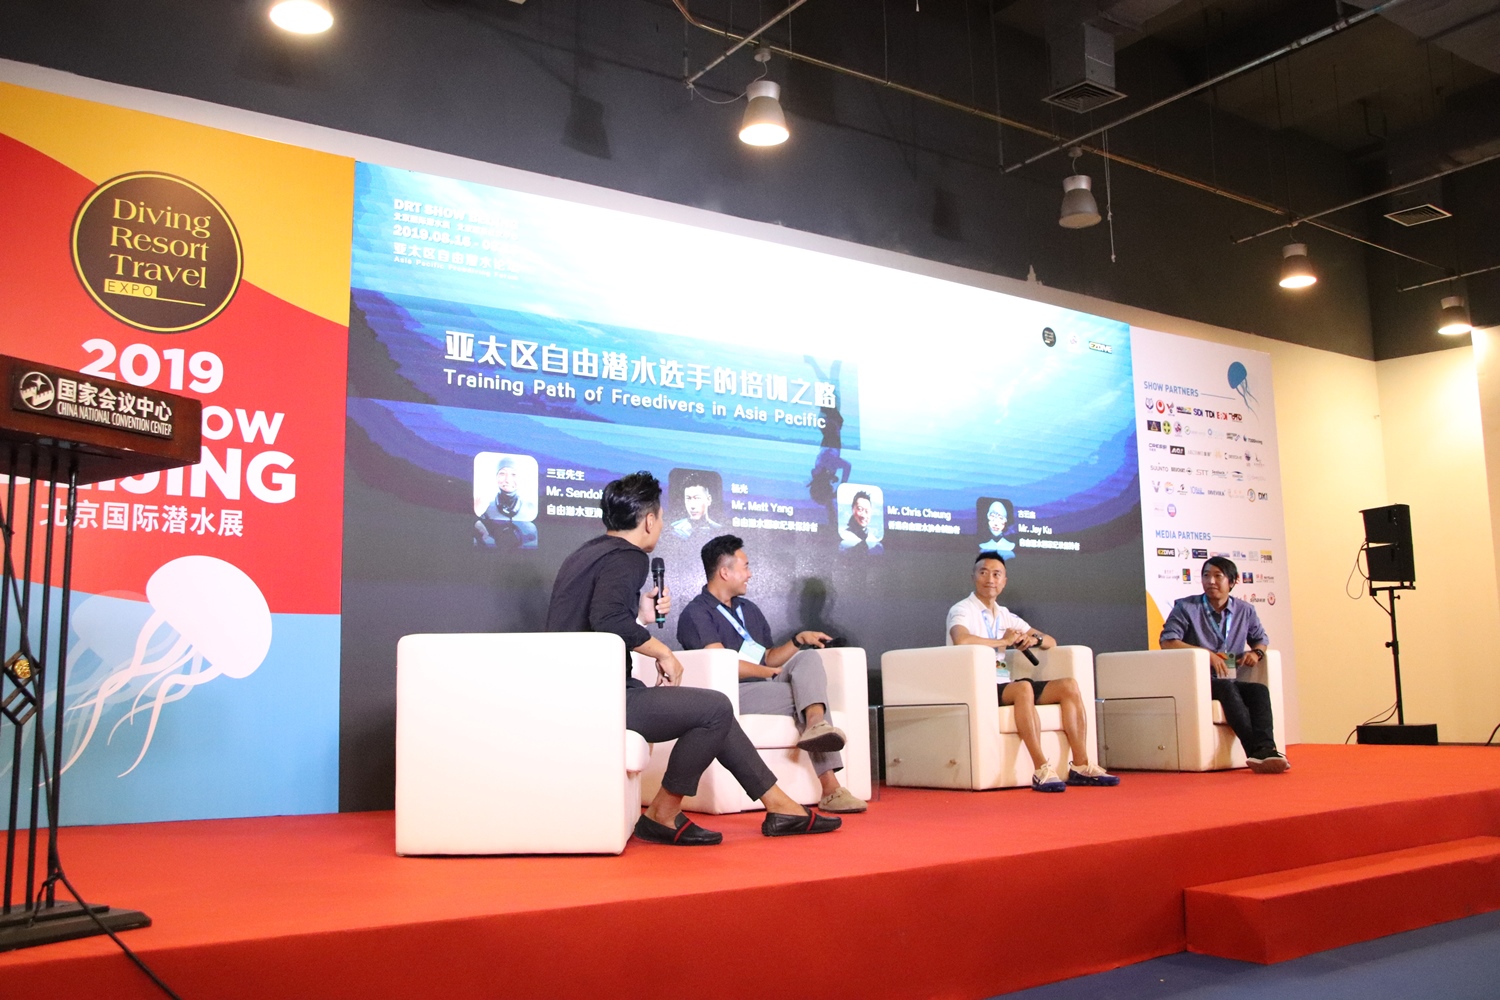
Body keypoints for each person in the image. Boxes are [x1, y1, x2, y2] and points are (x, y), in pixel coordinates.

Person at [546, 471, 841, 845]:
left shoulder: (585, 554)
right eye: (661, 517)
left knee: (714, 711)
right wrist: (662, 651)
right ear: (649, 520)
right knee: (716, 708)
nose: (661, 525)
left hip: (578, 688)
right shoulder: (629, 556)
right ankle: (663, 813)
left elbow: (595, 621)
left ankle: (781, 806)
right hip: (603, 696)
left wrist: (641, 616)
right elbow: (607, 620)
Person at [677, 534, 868, 814]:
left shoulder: (748, 609)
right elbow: (720, 664)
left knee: (807, 657)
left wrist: (798, 641)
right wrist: (767, 671)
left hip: (765, 684)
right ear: (725, 572)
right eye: (745, 567)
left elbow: (766, 655)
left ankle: (816, 724)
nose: (750, 574)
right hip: (730, 693)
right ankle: (831, 788)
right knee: (804, 694)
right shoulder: (697, 613)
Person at [946, 553, 1118, 791]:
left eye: (996, 574)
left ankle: (1081, 766)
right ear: (973, 576)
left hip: (1003, 683)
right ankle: (1041, 769)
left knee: (1068, 686)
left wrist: (1033, 640)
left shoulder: (1005, 614)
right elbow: (962, 640)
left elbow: (1050, 641)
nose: (990, 579)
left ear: (1004, 581)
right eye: (983, 573)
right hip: (976, 685)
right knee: (1023, 688)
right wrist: (1003, 641)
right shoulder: (962, 609)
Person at [1160, 556, 1288, 773]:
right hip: (1197, 681)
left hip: (1228, 677)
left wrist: (1256, 653)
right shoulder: (1186, 607)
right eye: (1206, 576)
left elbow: (1261, 640)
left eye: (1218, 576)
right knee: (1227, 688)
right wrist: (1207, 655)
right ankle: (1257, 751)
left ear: (1233, 581)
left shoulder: (1245, 610)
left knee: (1258, 690)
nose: (1211, 581)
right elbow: (1168, 641)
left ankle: (1267, 748)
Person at [474, 457, 538, 549]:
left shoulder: (532, 508)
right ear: (496, 477)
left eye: (513, 474)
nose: (507, 480)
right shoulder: (484, 508)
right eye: (502, 473)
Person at [670, 472, 722, 539]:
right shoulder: (675, 529)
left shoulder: (719, 529)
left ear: (709, 500)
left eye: (697, 498)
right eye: (688, 498)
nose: (692, 506)